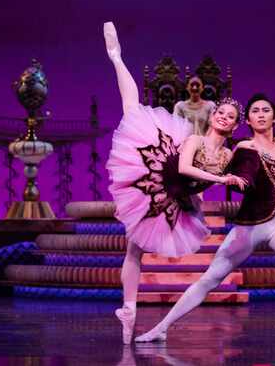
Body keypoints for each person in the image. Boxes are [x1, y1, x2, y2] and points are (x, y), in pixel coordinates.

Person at [135, 45, 275, 346]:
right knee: (210, 279)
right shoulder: (245, 149)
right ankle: (162, 327)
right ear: (247, 122)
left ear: (273, 118)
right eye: (255, 111)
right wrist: (238, 180)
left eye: (265, 110)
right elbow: (241, 178)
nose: (260, 114)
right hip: (249, 227)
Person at [103, 22, 247, 344]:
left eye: (230, 117)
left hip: (174, 197)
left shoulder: (228, 156)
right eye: (221, 113)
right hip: (159, 168)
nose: (224, 117)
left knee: (135, 247)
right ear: (212, 117)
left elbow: (233, 174)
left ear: (236, 126)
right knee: (132, 110)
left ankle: (129, 311)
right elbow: (185, 167)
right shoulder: (195, 139)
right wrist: (222, 178)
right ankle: (116, 57)